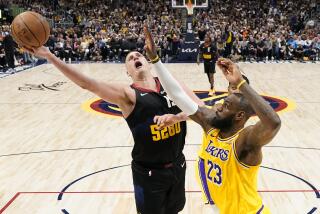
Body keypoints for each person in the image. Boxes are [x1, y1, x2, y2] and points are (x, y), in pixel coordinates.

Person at [23, 45, 203, 214]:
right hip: (149, 173)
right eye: (130, 58)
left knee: (175, 210)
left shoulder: (170, 85)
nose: (135, 57)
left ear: (148, 63)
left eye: (138, 55)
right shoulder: (127, 94)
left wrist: (177, 117)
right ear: (128, 72)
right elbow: (88, 83)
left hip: (178, 165)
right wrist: (50, 56)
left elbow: (201, 107)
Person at [144, 26, 281, 213]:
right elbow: (177, 95)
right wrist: (155, 60)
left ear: (239, 116)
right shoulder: (211, 125)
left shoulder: (245, 141)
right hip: (220, 207)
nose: (217, 107)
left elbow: (273, 123)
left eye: (225, 106)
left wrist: (241, 83)